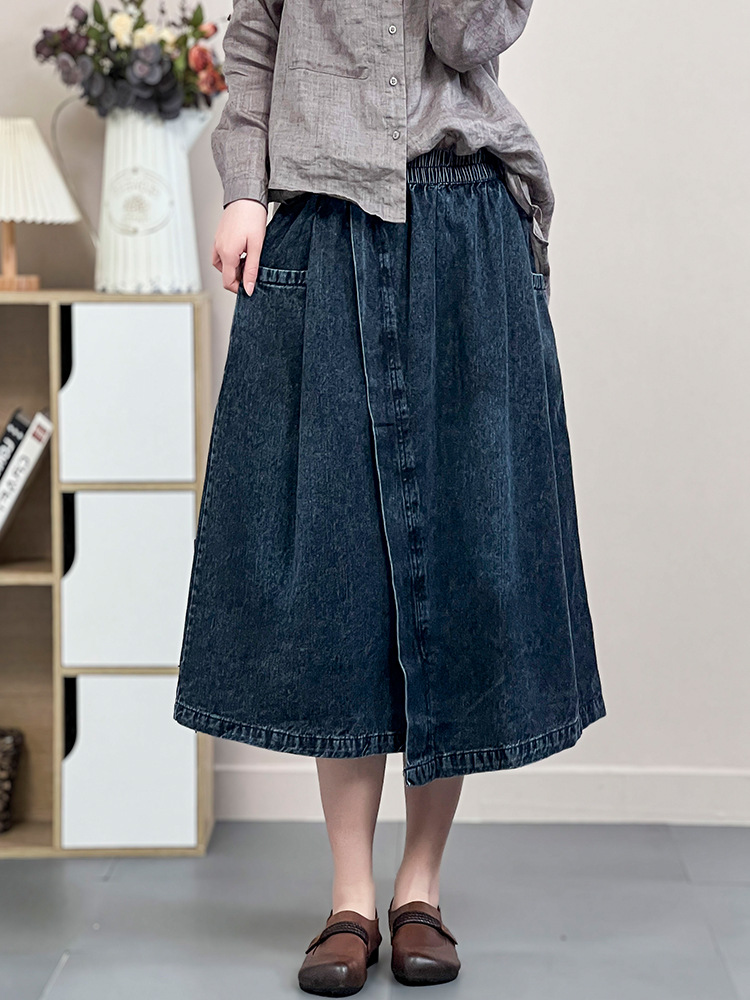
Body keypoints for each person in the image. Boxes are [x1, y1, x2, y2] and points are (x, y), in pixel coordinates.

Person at [173, 0, 608, 994]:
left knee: (456, 562)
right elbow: (257, 37)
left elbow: (468, 37)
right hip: (321, 223)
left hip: (460, 221)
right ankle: (348, 900)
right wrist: (244, 191)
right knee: (336, 572)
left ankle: (420, 888)